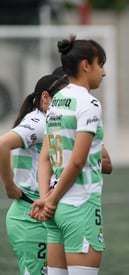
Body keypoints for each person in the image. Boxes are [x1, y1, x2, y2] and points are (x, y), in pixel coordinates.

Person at [29, 35, 108, 275]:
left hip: (56, 207)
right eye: (100, 65)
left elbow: (45, 156)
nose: (103, 73)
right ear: (86, 65)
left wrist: (46, 198)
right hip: (80, 204)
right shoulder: (88, 103)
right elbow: (77, 160)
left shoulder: (57, 101)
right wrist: (50, 201)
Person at [0, 74, 66, 275]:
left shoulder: (47, 120)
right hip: (29, 215)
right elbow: (3, 144)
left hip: (38, 212)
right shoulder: (39, 122)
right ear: (46, 98)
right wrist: (10, 186)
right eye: (62, 97)